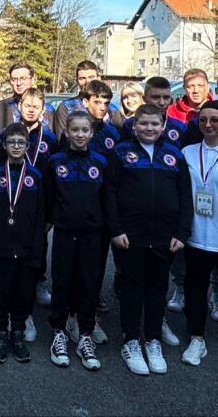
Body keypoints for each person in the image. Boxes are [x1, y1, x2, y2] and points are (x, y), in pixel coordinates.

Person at [106, 104, 193, 376]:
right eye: (143, 123)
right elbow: (110, 192)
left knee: (157, 288)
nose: (149, 128)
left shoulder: (174, 155)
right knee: (131, 288)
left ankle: (153, 339)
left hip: (165, 236)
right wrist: (115, 229)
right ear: (134, 126)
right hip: (130, 236)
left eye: (155, 123)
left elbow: (185, 195)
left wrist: (181, 232)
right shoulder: (121, 152)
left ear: (163, 126)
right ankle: (131, 340)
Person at [60, 80, 119, 344]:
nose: (102, 107)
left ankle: (89, 315)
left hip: (101, 214)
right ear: (85, 102)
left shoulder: (113, 133)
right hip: (74, 214)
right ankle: (71, 315)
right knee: (71, 268)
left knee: (94, 269)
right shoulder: (71, 132)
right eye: (97, 101)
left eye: (106, 103)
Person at [46, 111, 106, 371]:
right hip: (64, 232)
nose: (80, 134)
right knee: (61, 281)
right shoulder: (56, 161)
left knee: (88, 283)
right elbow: (49, 196)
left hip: (92, 234)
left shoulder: (101, 161)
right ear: (67, 132)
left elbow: (106, 198)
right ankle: (58, 332)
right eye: (75, 130)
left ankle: (85, 334)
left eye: (85, 130)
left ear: (91, 133)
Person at [0, 123, 44, 364]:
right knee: (0, 291)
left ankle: (17, 334)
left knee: (23, 292)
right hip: (1, 247)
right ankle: (0, 333)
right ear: (4, 145)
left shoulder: (36, 176)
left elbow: (40, 218)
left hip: (26, 248)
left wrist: (38, 253)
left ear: (28, 146)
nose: (16, 146)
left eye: (21, 142)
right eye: (12, 142)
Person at [181, 100, 218, 366]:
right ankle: (197, 339)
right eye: (203, 119)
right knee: (195, 287)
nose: (208, 124)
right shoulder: (188, 153)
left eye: (214, 120)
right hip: (196, 234)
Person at [54, 60, 121, 138]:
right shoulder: (66, 107)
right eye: (82, 78)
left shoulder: (112, 110)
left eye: (91, 77)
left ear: (98, 78)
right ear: (77, 81)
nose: (87, 81)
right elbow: (62, 140)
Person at [0, 63, 55, 133]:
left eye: (23, 78)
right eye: (14, 79)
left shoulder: (48, 110)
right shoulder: (0, 108)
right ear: (10, 82)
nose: (18, 83)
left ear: (32, 80)